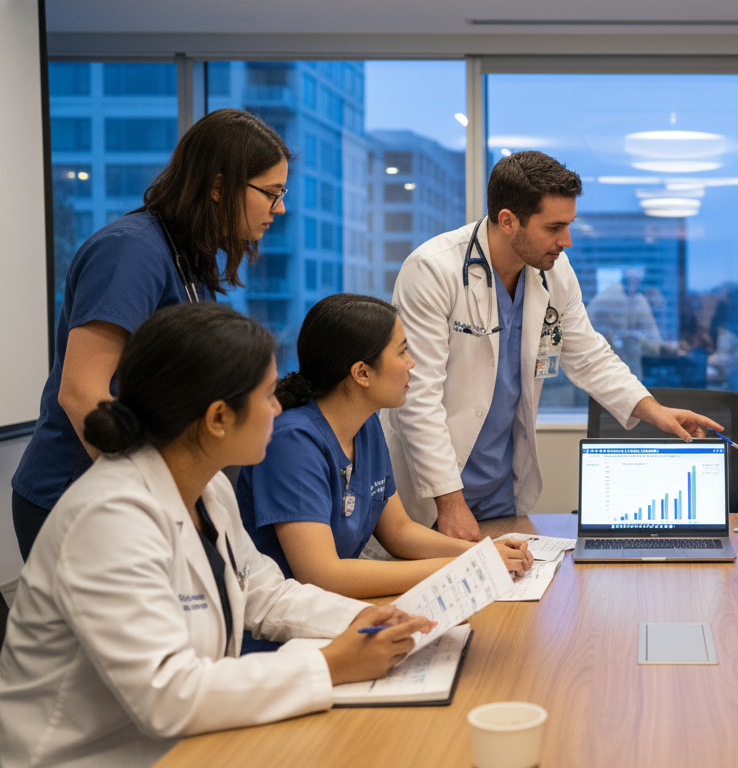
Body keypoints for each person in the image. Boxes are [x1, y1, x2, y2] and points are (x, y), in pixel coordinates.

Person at [0, 303, 433, 768]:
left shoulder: (208, 489)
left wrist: (369, 618)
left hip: (182, 746)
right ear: (218, 418)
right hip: (87, 756)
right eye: (267, 396)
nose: (279, 408)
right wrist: (330, 665)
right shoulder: (109, 519)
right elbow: (166, 694)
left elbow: (266, 597)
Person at [384, 150, 719, 542]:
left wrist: (655, 412)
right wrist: (450, 503)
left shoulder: (552, 271)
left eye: (570, 224)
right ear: (508, 221)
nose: (568, 241)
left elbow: (589, 354)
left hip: (498, 489)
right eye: (555, 227)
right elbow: (417, 397)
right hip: (435, 491)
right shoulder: (432, 270)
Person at [10, 108, 290, 560]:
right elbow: (82, 393)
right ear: (218, 187)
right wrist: (156, 500)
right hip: (83, 490)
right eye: (271, 193)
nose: (280, 208)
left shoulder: (187, 256)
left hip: (140, 490)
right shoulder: (132, 251)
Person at [236, 295, 532, 623]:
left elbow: (399, 531)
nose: (412, 363)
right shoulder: (292, 441)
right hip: (280, 631)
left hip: (332, 614)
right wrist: (464, 566)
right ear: (362, 373)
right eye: (402, 351)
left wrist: (480, 553)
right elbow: (322, 575)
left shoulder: (366, 424)